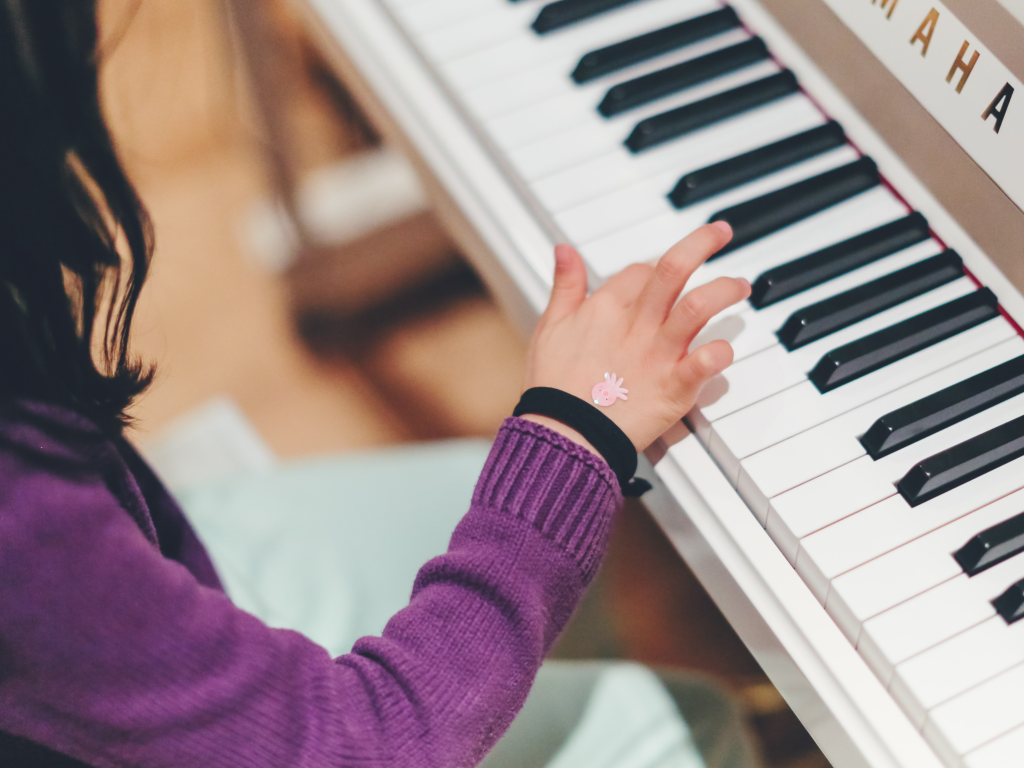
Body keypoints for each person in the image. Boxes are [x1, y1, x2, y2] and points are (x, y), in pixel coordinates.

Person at [0, 1, 754, 766]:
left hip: (143, 567)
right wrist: (577, 431)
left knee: (497, 502)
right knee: (687, 721)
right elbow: (368, 745)